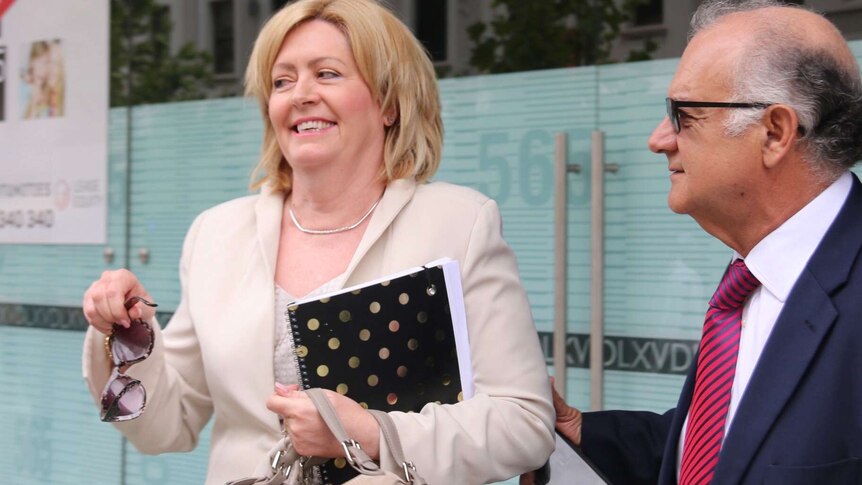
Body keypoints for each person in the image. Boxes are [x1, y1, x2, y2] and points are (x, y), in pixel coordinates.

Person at [81, 0, 554, 484]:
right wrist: (124, 331)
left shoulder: (458, 222)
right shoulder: (217, 234)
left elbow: (525, 423)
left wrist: (372, 433)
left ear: (389, 103)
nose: (300, 94)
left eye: (327, 74)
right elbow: (166, 427)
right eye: (282, 81)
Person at [536, 1, 862, 484]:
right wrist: (583, 431)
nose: (658, 139)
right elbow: (730, 448)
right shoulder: (751, 279)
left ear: (774, 132)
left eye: (683, 115)